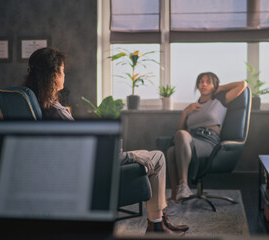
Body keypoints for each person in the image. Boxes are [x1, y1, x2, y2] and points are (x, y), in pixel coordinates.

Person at [24, 47, 188, 235]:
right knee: (157, 157)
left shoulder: (38, 103)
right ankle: (156, 223)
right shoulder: (57, 112)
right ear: (54, 75)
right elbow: (90, 157)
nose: (64, 75)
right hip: (93, 174)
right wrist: (130, 156)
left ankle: (158, 221)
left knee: (149, 155)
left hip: (73, 171)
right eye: (62, 70)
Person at [166, 72, 246, 204]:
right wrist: (185, 112)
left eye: (208, 82)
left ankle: (184, 186)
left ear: (214, 85)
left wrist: (220, 88)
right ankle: (176, 196)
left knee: (181, 136)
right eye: (201, 81)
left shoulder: (220, 99)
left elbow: (243, 84)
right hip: (192, 140)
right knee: (171, 151)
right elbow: (178, 132)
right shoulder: (193, 106)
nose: (203, 84)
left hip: (209, 141)